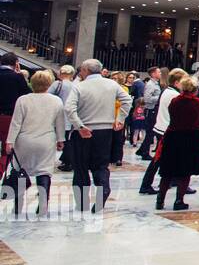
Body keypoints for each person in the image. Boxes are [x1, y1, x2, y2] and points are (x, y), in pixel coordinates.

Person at [65, 59, 129, 212]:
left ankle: (82, 203)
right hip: (105, 131)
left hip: (84, 131)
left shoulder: (79, 86)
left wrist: (79, 125)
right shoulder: (112, 84)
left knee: (80, 168)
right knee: (100, 166)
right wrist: (119, 119)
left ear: (86, 70)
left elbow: (69, 108)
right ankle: (103, 189)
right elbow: (127, 100)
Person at [4, 69, 63, 217]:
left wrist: (10, 141)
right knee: (44, 171)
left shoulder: (23, 99)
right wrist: (61, 139)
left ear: (32, 83)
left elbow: (16, 123)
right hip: (46, 140)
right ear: (49, 84)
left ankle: (18, 206)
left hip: (24, 141)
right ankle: (43, 206)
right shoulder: (56, 100)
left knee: (20, 171)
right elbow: (60, 123)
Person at [155, 76, 199, 211]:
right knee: (185, 171)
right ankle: (179, 200)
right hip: (191, 137)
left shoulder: (175, 101)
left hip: (173, 136)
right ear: (195, 90)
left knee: (167, 170)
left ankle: (160, 200)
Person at [139, 68, 183, 196]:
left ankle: (173, 180)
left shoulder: (167, 92)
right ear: (176, 82)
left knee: (168, 158)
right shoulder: (173, 95)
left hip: (163, 128)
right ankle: (146, 184)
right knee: (158, 158)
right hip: (167, 129)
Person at [0, 51, 30, 152]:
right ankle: (3, 166)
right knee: (7, 148)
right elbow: (27, 95)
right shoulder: (17, 77)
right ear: (16, 63)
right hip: (10, 116)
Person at [137, 67, 162, 160]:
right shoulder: (151, 85)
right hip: (150, 110)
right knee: (150, 132)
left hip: (153, 109)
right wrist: (159, 97)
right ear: (153, 74)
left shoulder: (156, 84)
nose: (160, 74)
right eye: (158, 72)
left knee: (151, 132)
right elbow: (147, 99)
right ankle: (145, 152)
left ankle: (142, 150)